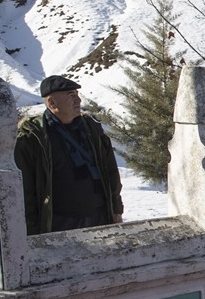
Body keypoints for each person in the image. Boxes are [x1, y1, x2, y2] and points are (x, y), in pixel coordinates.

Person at [14, 75, 123, 235]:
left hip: (99, 216)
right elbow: (26, 189)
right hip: (58, 223)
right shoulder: (32, 139)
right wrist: (32, 230)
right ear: (52, 103)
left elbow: (111, 171)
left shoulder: (92, 130)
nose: (78, 100)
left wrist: (116, 209)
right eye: (71, 96)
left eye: (77, 94)